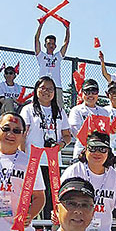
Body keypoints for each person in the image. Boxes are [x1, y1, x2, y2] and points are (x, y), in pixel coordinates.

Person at [61, 132, 116, 231]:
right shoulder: (74, 171)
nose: (97, 153)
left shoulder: (115, 177)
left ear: (108, 152)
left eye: (102, 149)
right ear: (85, 150)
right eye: (93, 148)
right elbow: (59, 200)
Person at [20, 75, 71, 220]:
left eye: (50, 89)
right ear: (36, 90)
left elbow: (67, 135)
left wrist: (60, 145)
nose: (46, 92)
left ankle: (49, 226)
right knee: (32, 195)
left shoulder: (60, 111)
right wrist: (22, 155)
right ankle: (31, 225)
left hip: (52, 160)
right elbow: (22, 135)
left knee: (51, 195)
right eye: (43, 88)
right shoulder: (28, 109)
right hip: (33, 158)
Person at [69, 79, 110, 158]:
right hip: (82, 152)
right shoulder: (76, 110)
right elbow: (76, 133)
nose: (91, 95)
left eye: (94, 92)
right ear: (82, 93)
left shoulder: (104, 112)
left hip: (100, 154)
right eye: (87, 92)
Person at [34, 21, 70, 102]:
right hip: (43, 86)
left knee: (58, 109)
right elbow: (36, 40)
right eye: (49, 43)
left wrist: (67, 28)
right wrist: (40, 25)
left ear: (55, 46)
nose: (51, 45)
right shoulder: (41, 56)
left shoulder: (58, 56)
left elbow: (66, 43)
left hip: (56, 86)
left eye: (53, 44)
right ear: (45, 45)